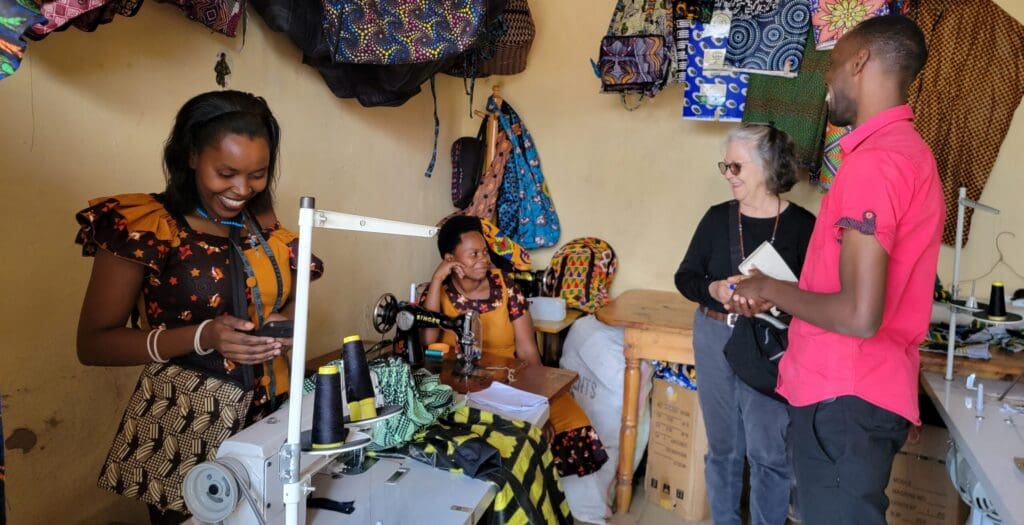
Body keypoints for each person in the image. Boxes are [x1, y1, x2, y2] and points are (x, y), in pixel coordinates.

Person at [729, 15, 942, 525]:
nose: (827, 82)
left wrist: (768, 287)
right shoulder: (908, 154)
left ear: (861, 62)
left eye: (833, 66)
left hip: (845, 395)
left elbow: (858, 313)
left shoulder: (877, 163)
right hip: (860, 391)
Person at [75, 90, 323, 524]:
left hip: (274, 416)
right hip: (189, 424)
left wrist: (283, 320)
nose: (242, 189)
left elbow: (288, 294)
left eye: (258, 174)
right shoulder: (147, 225)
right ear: (191, 156)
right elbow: (93, 344)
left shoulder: (264, 229)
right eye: (225, 172)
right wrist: (203, 336)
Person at [675, 124, 815, 525]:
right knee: (724, 448)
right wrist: (714, 289)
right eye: (725, 166)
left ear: (767, 167)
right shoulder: (717, 219)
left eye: (736, 165)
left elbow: (816, 296)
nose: (728, 174)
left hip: (771, 345)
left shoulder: (804, 226)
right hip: (715, 334)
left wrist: (779, 297)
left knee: (768, 453)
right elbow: (685, 278)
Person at [419, 215, 608, 477]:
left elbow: (528, 350)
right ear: (451, 260)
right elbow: (428, 344)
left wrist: (540, 405)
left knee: (574, 422)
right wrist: (437, 280)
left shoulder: (506, 287)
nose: (484, 259)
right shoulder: (435, 293)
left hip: (512, 382)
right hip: (460, 391)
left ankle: (546, 491)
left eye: (484, 252)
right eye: (473, 254)